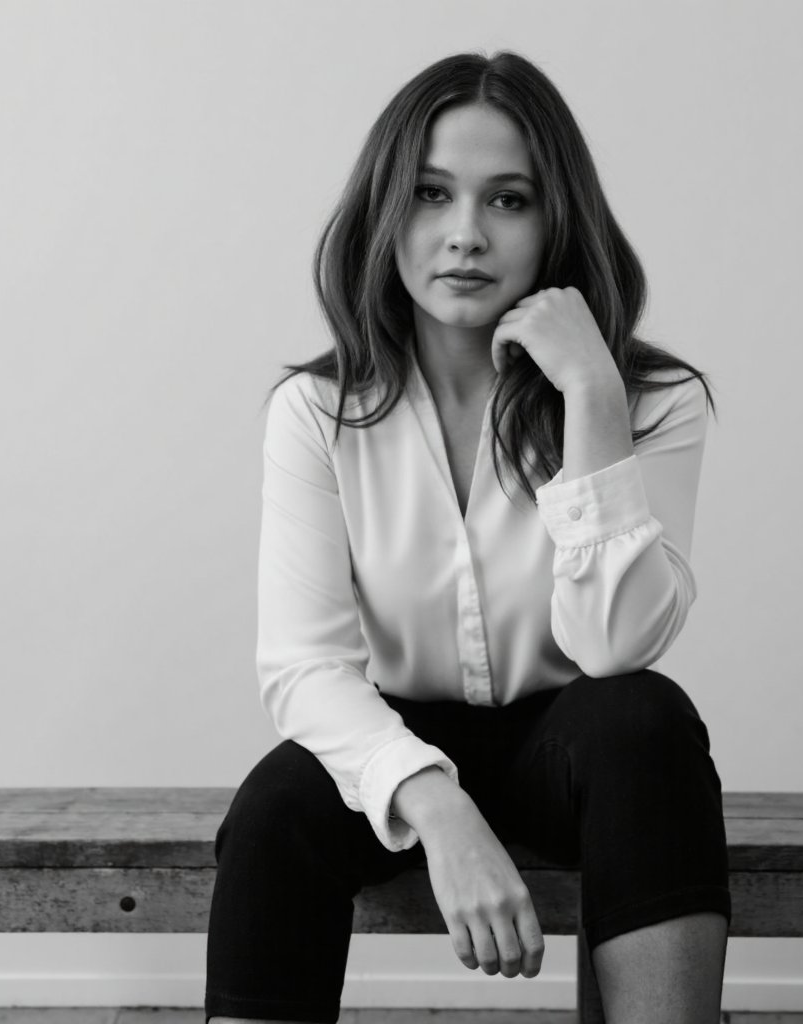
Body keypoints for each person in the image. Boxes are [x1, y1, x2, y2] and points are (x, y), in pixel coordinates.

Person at [205, 50, 731, 1024]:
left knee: (643, 718)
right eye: (432, 194)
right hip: (399, 740)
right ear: (384, 213)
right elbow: (304, 669)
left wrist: (592, 398)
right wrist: (439, 808)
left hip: (576, 749)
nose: (463, 236)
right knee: (277, 801)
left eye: (508, 200)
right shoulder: (316, 412)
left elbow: (614, 646)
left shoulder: (651, 402)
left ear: (553, 223)